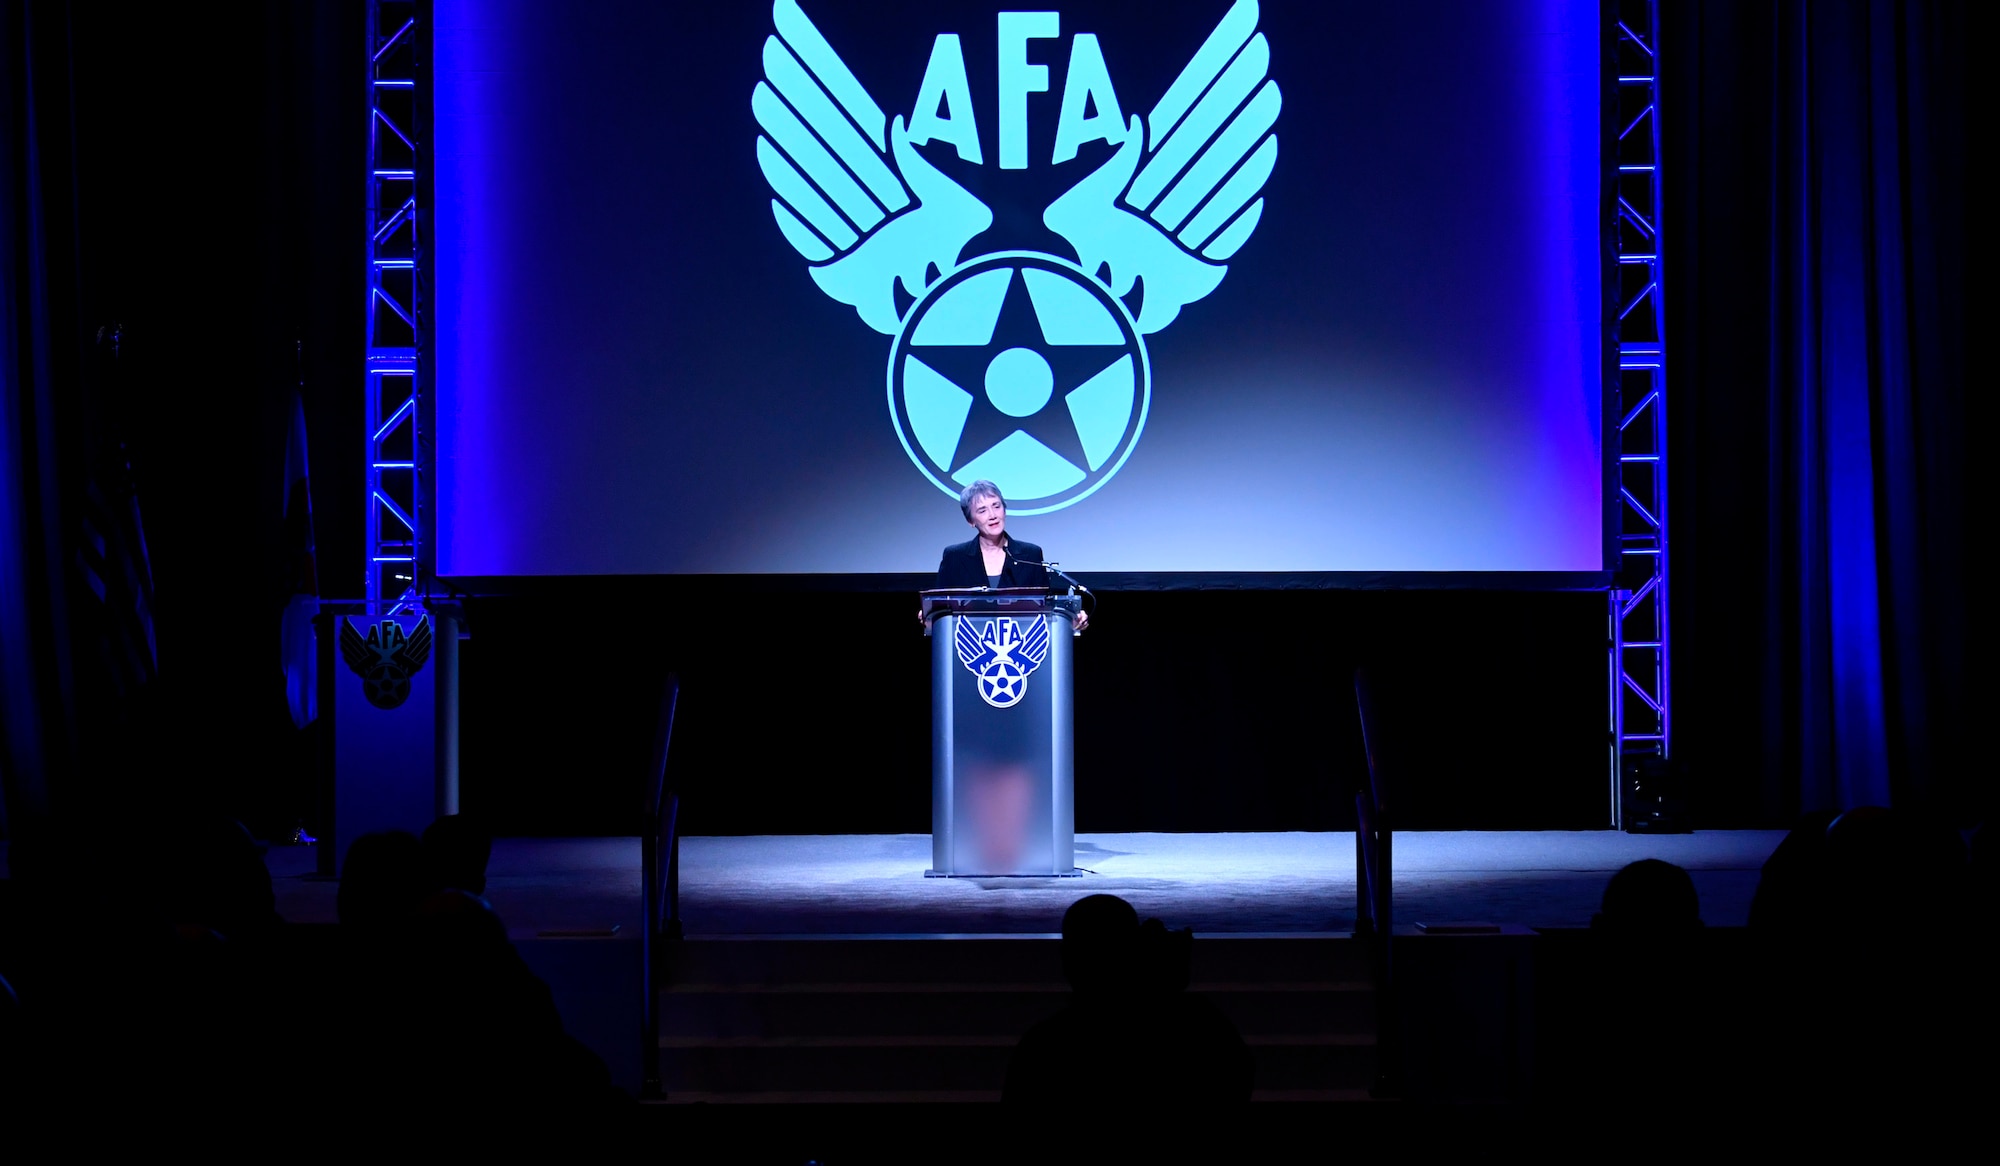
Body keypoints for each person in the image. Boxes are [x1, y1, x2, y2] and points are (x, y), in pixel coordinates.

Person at [927, 480, 1088, 630]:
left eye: (996, 506)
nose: (992, 515)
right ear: (971, 521)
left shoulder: (1030, 554)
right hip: (968, 648)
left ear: (1004, 510)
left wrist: (1070, 618)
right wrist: (929, 615)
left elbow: (1044, 608)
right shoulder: (955, 557)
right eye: (982, 510)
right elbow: (939, 607)